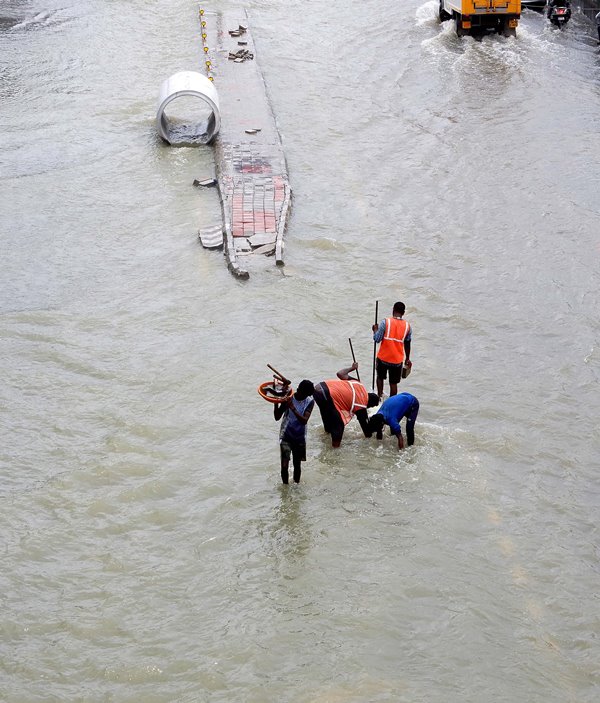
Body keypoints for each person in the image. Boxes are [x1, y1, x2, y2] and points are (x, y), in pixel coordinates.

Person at [313, 363, 379, 448]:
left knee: (328, 416)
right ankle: (335, 450)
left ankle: (327, 436)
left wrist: (352, 368)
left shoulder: (358, 383)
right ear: (370, 404)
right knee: (339, 425)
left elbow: (340, 374)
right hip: (327, 394)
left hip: (319, 387)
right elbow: (367, 432)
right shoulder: (361, 405)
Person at [273, 380, 314, 484]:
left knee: (297, 465)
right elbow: (277, 417)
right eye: (302, 394)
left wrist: (293, 408)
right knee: (284, 466)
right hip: (286, 435)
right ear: (298, 390)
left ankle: (296, 486)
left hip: (299, 437)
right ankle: (285, 488)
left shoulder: (310, 401)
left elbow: (304, 420)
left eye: (306, 395)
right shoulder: (288, 398)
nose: (303, 396)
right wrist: (276, 402)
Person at [372, 301, 412, 400]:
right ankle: (392, 403)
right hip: (397, 360)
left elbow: (377, 339)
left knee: (380, 378)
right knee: (393, 383)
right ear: (403, 313)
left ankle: (379, 398)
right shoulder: (407, 326)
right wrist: (407, 358)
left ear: (393, 310)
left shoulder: (385, 322)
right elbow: (407, 343)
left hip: (383, 358)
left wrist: (375, 330)